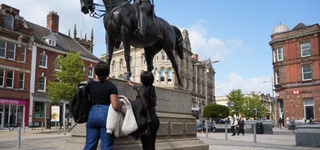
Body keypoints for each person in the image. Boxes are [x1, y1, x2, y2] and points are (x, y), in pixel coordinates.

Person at [84, 61, 122, 150]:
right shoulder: (111, 86)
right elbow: (115, 105)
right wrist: (121, 107)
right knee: (106, 146)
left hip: (92, 113)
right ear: (108, 72)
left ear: (96, 72)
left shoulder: (90, 84)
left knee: (89, 145)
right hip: (105, 114)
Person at [126, 71, 159, 150]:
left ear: (141, 80)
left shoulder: (142, 90)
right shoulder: (151, 88)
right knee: (151, 145)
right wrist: (132, 85)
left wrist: (128, 102)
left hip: (148, 120)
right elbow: (139, 88)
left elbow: (144, 106)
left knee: (146, 146)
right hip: (154, 119)